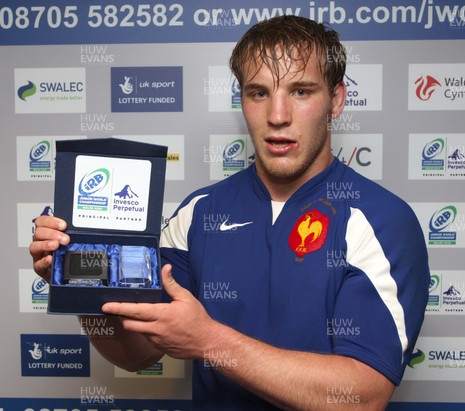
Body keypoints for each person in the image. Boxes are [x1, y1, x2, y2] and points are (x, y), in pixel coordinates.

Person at [31, 15, 429, 410]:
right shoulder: (198, 213)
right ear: (242, 100)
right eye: (259, 93)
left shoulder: (381, 219)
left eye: (301, 91)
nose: (277, 116)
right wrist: (78, 276)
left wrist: (210, 341)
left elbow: (361, 399)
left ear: (337, 100)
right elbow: (138, 354)